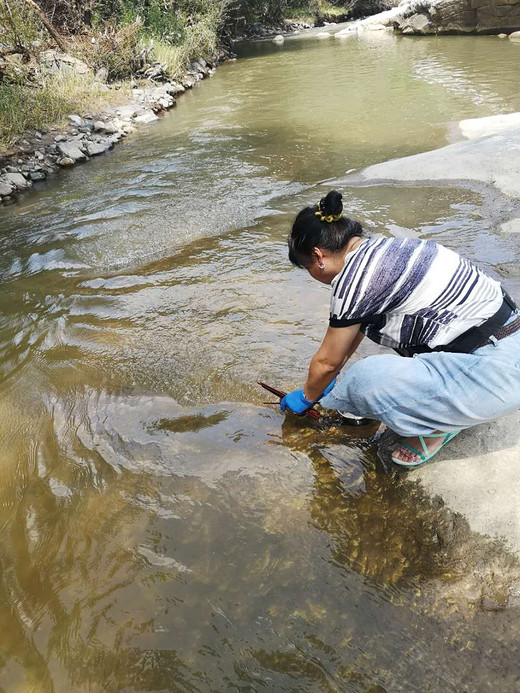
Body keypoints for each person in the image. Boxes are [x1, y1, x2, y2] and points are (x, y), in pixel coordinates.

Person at [280, 190, 520, 466]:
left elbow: (326, 362)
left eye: (308, 268)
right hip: (508, 338)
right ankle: (446, 402)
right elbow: (352, 333)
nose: (314, 277)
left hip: (499, 373)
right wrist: (326, 380)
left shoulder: (353, 280)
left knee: (364, 380)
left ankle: (438, 425)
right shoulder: (387, 249)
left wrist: (307, 396)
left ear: (317, 255)